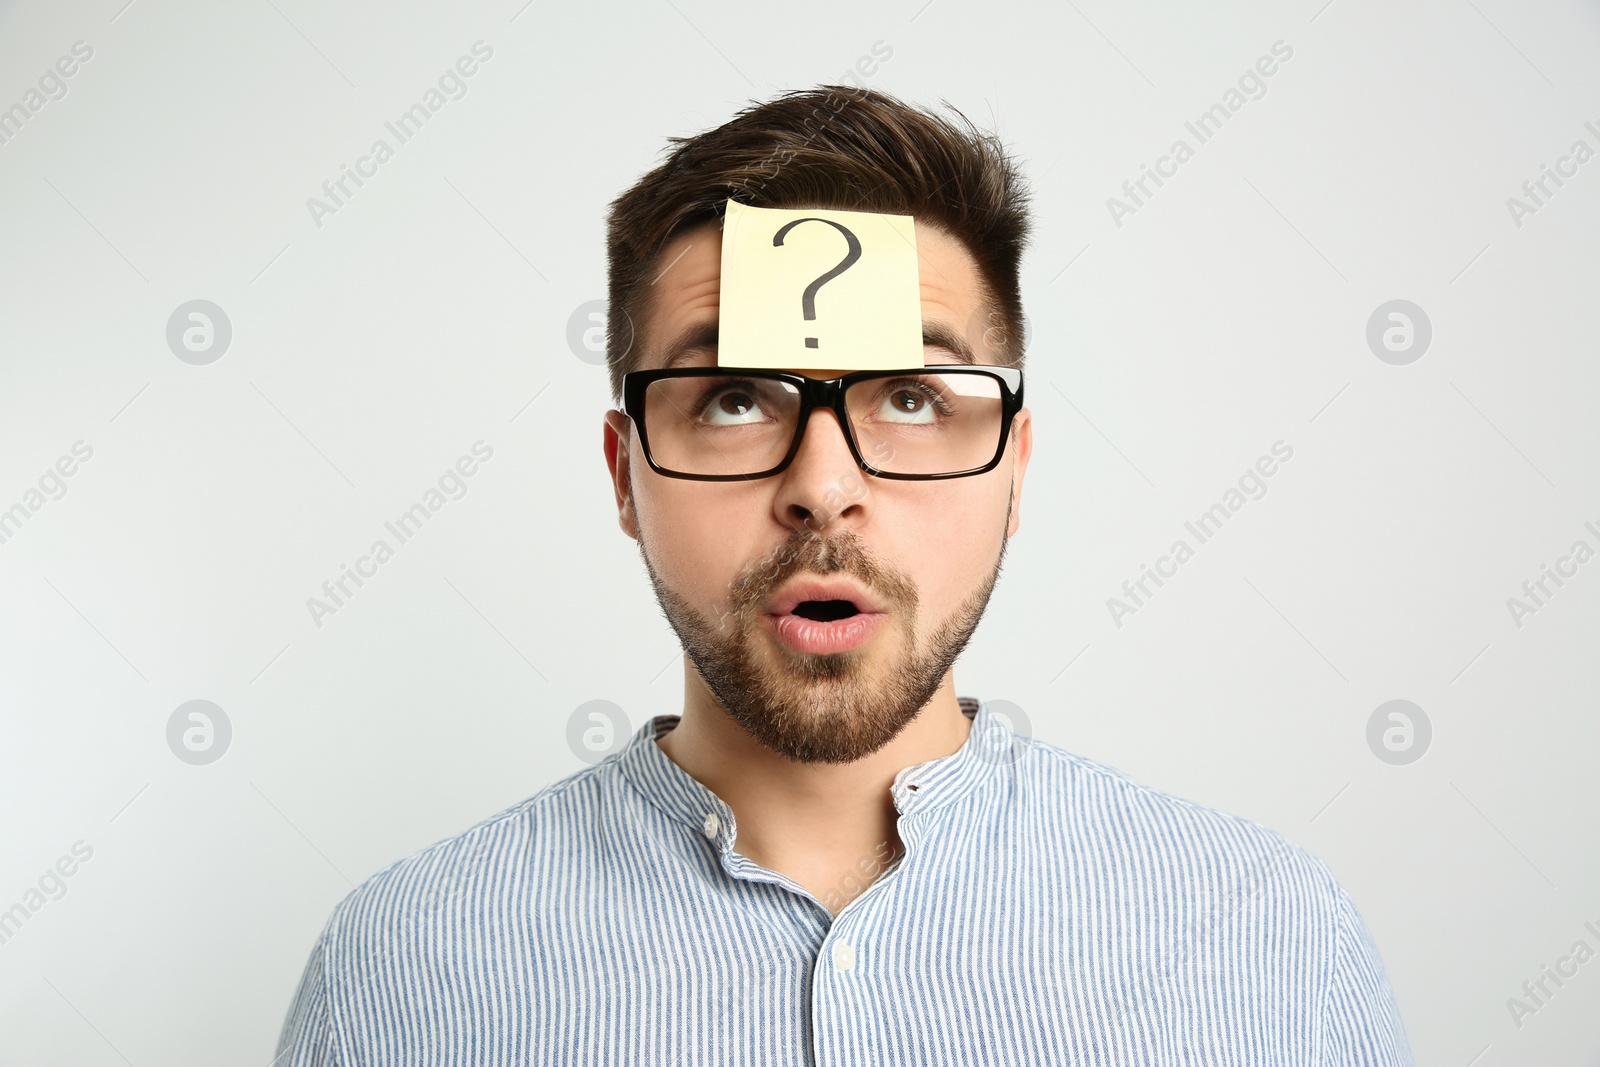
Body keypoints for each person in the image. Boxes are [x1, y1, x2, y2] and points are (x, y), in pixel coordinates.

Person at [275, 85, 1414, 1065]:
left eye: (911, 398)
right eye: (735, 397)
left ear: (1014, 471)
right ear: (625, 476)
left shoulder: (1267, 934)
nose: (824, 486)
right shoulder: (398, 969)